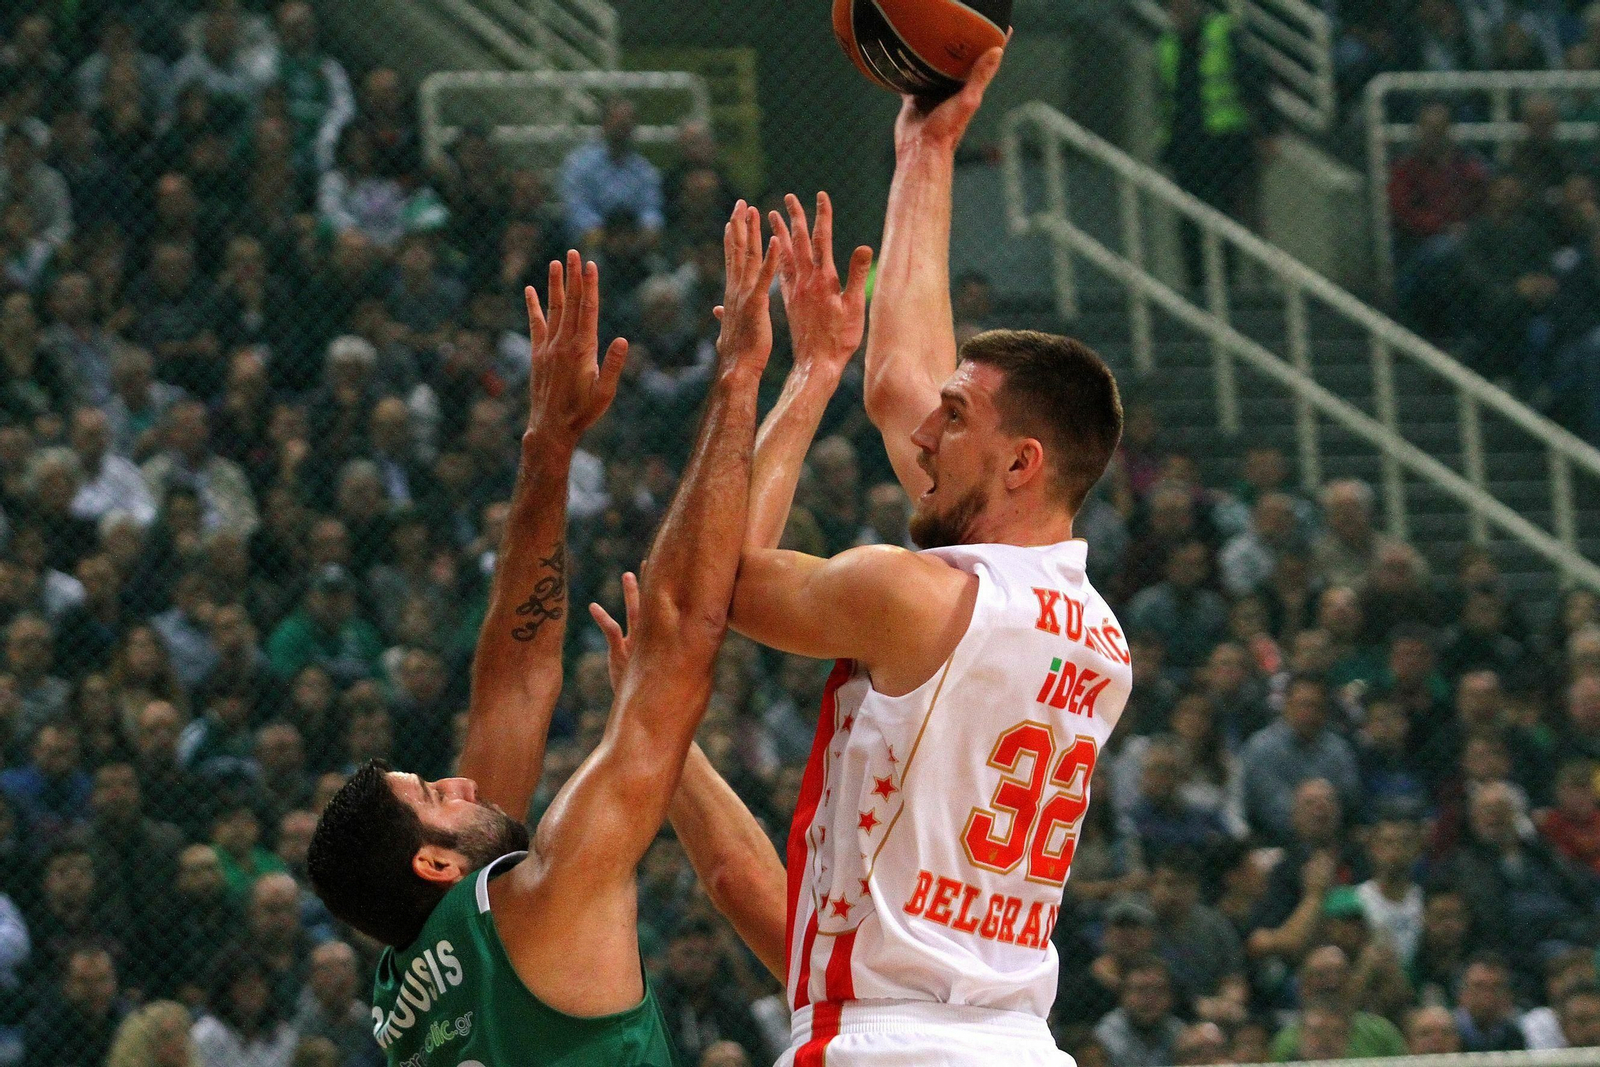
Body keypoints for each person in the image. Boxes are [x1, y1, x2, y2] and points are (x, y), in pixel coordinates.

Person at [666, 49, 1131, 1066]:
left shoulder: (911, 596)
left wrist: (790, 380)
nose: (922, 435)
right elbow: (904, 384)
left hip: (886, 1042)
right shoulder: (1097, 631)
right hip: (1019, 1040)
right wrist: (927, 145)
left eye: (952, 423)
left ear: (1019, 461)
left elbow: (715, 574)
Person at [307, 216, 774, 1063]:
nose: (458, 780)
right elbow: (681, 640)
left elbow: (517, 680)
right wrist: (740, 379)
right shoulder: (547, 895)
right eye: (436, 797)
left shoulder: (406, 989)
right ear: (438, 865)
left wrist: (548, 448)